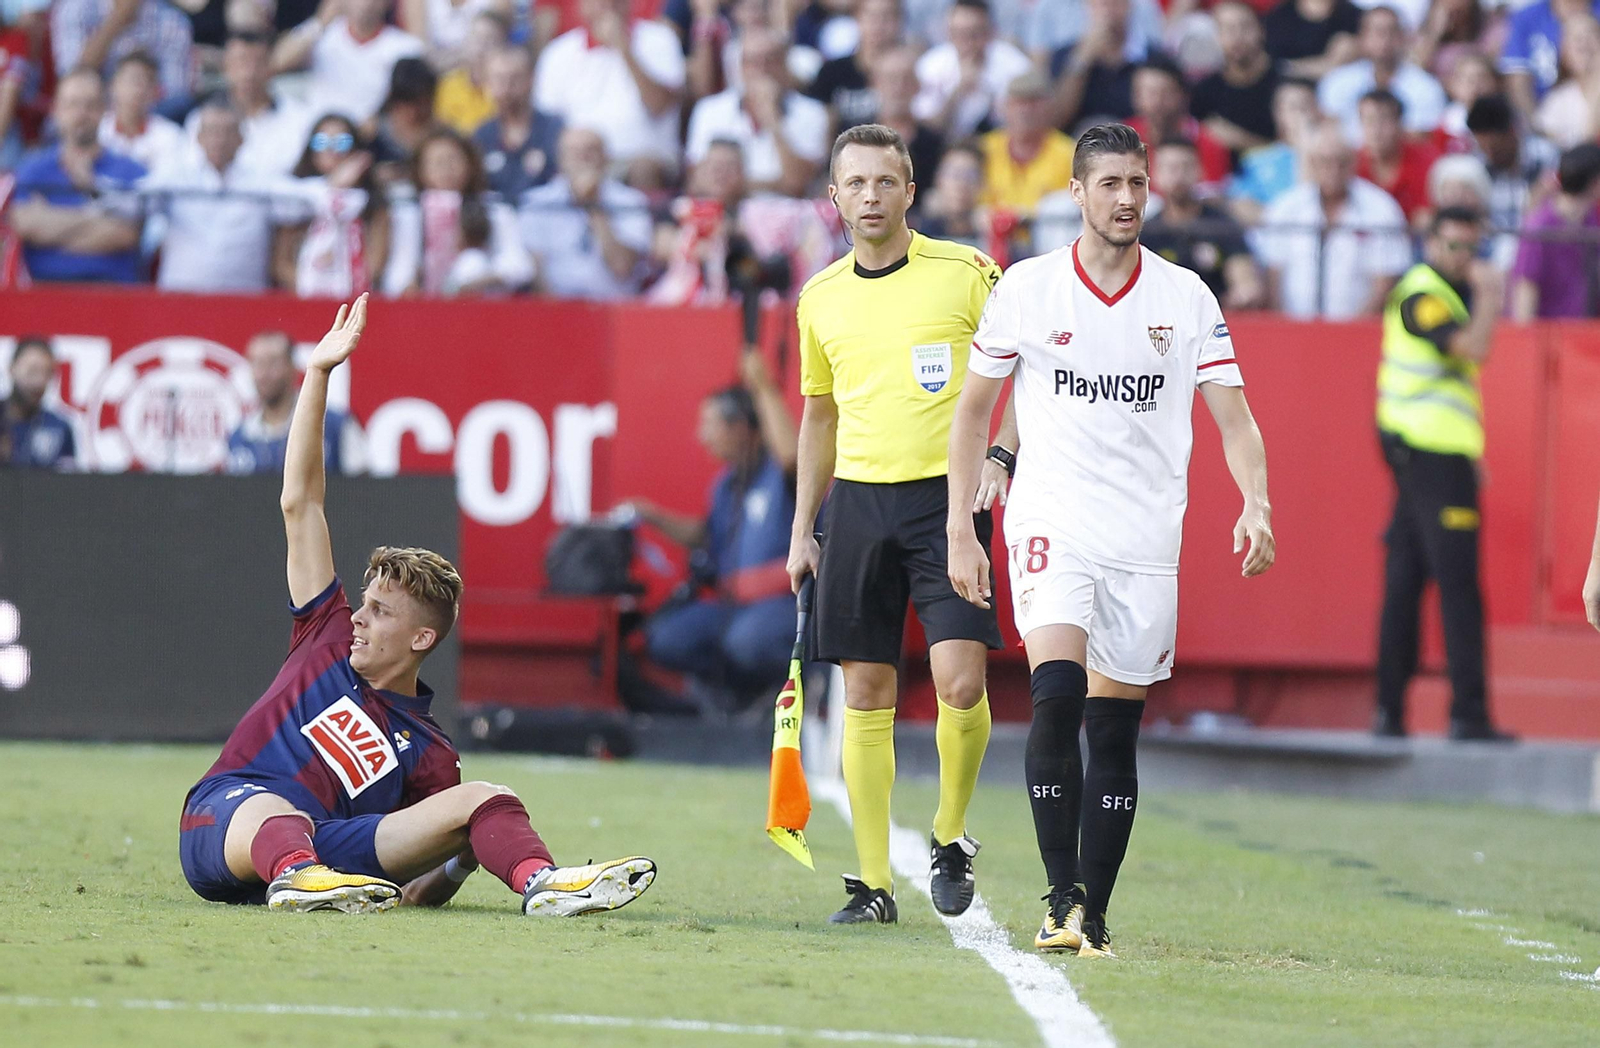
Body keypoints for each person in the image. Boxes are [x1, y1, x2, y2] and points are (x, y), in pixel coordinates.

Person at [180, 294, 659, 916]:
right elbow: (301, 503)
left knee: (484, 795)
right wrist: (319, 374)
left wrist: (464, 848)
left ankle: (546, 884)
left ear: (421, 639)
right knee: (278, 811)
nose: (358, 616)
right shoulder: (324, 635)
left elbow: (418, 891)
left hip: (331, 852)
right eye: (365, 602)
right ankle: (298, 876)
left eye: (379, 610)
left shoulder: (430, 751)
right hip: (229, 819)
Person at [945, 123, 1274, 959]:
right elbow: (975, 409)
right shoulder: (1027, 288)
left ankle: (1094, 910)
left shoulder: (1186, 298)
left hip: (1145, 536)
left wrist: (1256, 503)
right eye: (1111, 184)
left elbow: (1234, 419)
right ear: (1077, 194)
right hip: (1053, 518)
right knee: (1054, 694)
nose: (1127, 199)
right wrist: (962, 523)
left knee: (1115, 730)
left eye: (1138, 183)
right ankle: (1058, 897)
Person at [789, 123, 1015, 925]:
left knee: (960, 680)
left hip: (944, 505)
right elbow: (818, 419)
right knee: (866, 693)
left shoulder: (965, 273)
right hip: (856, 504)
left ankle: (951, 836)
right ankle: (874, 884)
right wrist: (801, 531)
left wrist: (1001, 459)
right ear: (834, 197)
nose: (871, 197)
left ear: (911, 192)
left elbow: (1018, 379)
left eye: (886, 182)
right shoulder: (819, 297)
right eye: (855, 184)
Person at [1373, 207, 1514, 742]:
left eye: (1470, 248)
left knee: (1405, 581)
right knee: (1458, 586)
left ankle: (1388, 711)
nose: (1463, 258)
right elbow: (1474, 349)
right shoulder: (1422, 295)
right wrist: (1494, 294)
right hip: (1431, 453)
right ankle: (1469, 714)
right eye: (1453, 246)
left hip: (1431, 451)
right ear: (1430, 242)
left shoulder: (1442, 294)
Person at [628, 353, 800, 702]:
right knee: (666, 637)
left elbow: (794, 458)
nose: (702, 436)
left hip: (783, 605)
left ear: (740, 427)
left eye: (710, 424)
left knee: (745, 640)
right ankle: (738, 696)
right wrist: (652, 516)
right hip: (732, 605)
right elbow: (708, 535)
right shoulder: (725, 484)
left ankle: (793, 689)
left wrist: (764, 387)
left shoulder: (780, 475)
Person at [1252, 118, 1412, 318]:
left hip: (1360, 333)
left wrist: (1349, 334)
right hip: (1292, 330)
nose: (1333, 170)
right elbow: (1271, 276)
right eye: (1325, 161)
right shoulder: (1285, 208)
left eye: (1341, 161)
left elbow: (1386, 282)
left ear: (1354, 161)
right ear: (1312, 162)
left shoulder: (1381, 209)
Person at [142, 101, 303, 294]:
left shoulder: (262, 182)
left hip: (245, 300)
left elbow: (300, 203)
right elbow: (132, 202)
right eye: (212, 131)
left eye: (227, 131)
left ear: (242, 138)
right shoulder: (175, 177)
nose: (219, 139)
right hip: (179, 297)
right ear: (198, 138)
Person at [8, 69, 146, 284]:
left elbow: (126, 235)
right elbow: (26, 224)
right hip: (44, 293)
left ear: (104, 110)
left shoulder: (130, 171)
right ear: (56, 111)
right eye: (72, 105)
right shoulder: (32, 168)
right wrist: (99, 219)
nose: (81, 114)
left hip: (113, 295)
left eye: (90, 105)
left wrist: (51, 223)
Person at [533, 0, 686, 182]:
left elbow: (659, 105)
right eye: (601, 3)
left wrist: (624, 49)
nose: (609, 8)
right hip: (581, 162)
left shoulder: (659, 38)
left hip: (642, 160)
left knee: (644, 169)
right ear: (582, 6)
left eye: (615, 2)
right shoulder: (558, 52)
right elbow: (547, 122)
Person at [384, 127, 533, 296]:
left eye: (453, 160)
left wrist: (477, 281)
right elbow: (398, 272)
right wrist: (410, 286)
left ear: (470, 164)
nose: (446, 169)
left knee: (472, 262)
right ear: (421, 170)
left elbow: (520, 266)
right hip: (427, 306)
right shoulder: (411, 214)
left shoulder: (494, 209)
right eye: (438, 162)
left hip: (482, 305)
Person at [684, 26, 830, 198]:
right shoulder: (709, 110)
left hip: (787, 215)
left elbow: (798, 184)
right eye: (753, 62)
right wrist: (774, 184)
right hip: (726, 214)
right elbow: (697, 181)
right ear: (740, 68)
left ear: (785, 66)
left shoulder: (812, 113)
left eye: (770, 60)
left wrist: (773, 121)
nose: (762, 70)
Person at [519, 127, 651, 299]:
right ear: (560, 160)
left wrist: (593, 206)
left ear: (606, 158)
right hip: (556, 310)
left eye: (590, 151)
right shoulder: (536, 203)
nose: (582, 158)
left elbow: (622, 267)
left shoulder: (631, 201)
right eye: (574, 152)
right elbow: (534, 271)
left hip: (615, 311)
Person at [274, 114, 393, 298]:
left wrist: (342, 286)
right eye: (321, 142)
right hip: (304, 299)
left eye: (342, 142)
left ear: (355, 149)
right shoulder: (297, 196)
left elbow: (376, 262)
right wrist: (314, 284)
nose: (331, 149)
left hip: (355, 298)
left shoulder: (372, 202)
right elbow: (282, 263)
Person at [1144, 138, 1265, 309]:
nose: (1178, 176)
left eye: (1186, 167)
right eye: (1171, 168)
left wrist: (1242, 295)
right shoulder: (1146, 232)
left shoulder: (1222, 225)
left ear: (1199, 171)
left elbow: (1245, 282)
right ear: (1155, 174)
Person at [227, 329, 367, 474]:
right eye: (257, 363)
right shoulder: (240, 437)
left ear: (292, 367)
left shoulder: (333, 425)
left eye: (273, 363)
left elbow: (361, 487)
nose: (264, 373)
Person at [185, 30, 316, 178]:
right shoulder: (201, 119)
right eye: (242, 62)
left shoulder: (301, 118)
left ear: (272, 67)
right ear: (226, 67)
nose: (249, 72)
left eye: (258, 62)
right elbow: (196, 172)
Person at [272, 0, 425, 125]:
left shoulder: (404, 47)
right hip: (318, 130)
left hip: (370, 135)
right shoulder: (323, 33)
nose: (366, 3)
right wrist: (319, 22)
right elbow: (277, 62)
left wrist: (380, 118)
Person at [1319, 5, 1448, 143]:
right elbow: (1329, 132)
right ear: (1362, 37)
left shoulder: (1426, 87)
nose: (1384, 39)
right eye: (1377, 32)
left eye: (1391, 31)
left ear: (1404, 38)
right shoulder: (1337, 82)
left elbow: (1423, 139)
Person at [912, 0, 1032, 140]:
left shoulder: (1015, 65)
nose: (967, 42)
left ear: (991, 32)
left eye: (974, 34)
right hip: (945, 148)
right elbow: (926, 127)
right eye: (959, 34)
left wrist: (986, 89)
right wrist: (957, 93)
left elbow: (1028, 121)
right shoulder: (930, 66)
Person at [1509, 143, 1600, 319]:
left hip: (1585, 338)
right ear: (1595, 181)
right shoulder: (1539, 228)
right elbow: (1525, 293)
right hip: (1548, 339)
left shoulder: (1590, 221)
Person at [51, 0, 194, 102]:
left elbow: (175, 93)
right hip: (93, 113)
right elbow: (72, 79)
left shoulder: (171, 19)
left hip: (152, 120)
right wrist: (118, 18)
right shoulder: (75, 8)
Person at [978, 69, 1075, 216]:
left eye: (1034, 103)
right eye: (1018, 103)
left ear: (1050, 107)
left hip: (1048, 236)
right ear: (1004, 108)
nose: (1026, 110)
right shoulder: (984, 149)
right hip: (985, 236)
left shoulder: (1070, 154)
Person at [1191, 0, 1283, 154]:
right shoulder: (1203, 92)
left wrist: (1239, 140)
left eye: (1245, 27)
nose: (1237, 36)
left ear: (1261, 30)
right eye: (1228, 29)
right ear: (1217, 36)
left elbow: (1292, 148)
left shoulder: (1284, 83)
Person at [472, 44, 562, 201]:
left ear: (531, 79)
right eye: (499, 79)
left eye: (515, 78)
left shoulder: (554, 129)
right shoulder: (481, 135)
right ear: (488, 83)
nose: (507, 87)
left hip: (544, 215)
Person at [1355, 87, 1441, 223]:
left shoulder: (1426, 161)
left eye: (1384, 121)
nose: (1376, 130)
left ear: (1400, 123)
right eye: (1369, 121)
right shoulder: (1350, 164)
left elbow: (1425, 218)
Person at [97, 50, 186, 171]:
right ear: (113, 86)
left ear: (156, 91)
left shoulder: (171, 136)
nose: (139, 89)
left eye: (148, 82)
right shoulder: (97, 131)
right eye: (133, 80)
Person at [1, 337, 76, 470]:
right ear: (11, 368)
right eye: (32, 371)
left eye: (47, 373)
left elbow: (67, 483)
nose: (39, 382)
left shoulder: (59, 428)